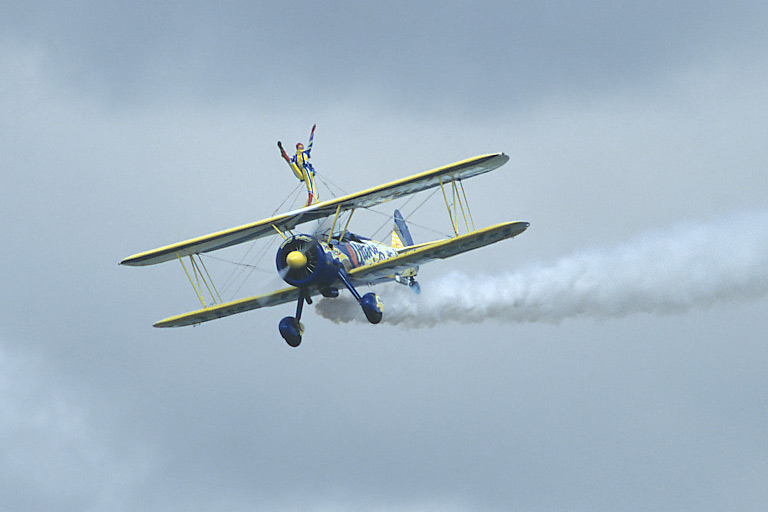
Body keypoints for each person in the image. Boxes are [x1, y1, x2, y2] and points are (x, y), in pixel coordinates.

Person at [278, 124, 317, 207]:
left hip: (307, 171)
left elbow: (310, 143)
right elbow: (289, 159)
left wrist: (312, 132)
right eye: (299, 147)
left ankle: (310, 198)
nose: (301, 148)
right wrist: (284, 154)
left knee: (306, 171)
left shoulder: (306, 153)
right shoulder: (295, 157)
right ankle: (282, 149)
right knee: (291, 163)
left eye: (301, 147)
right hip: (300, 174)